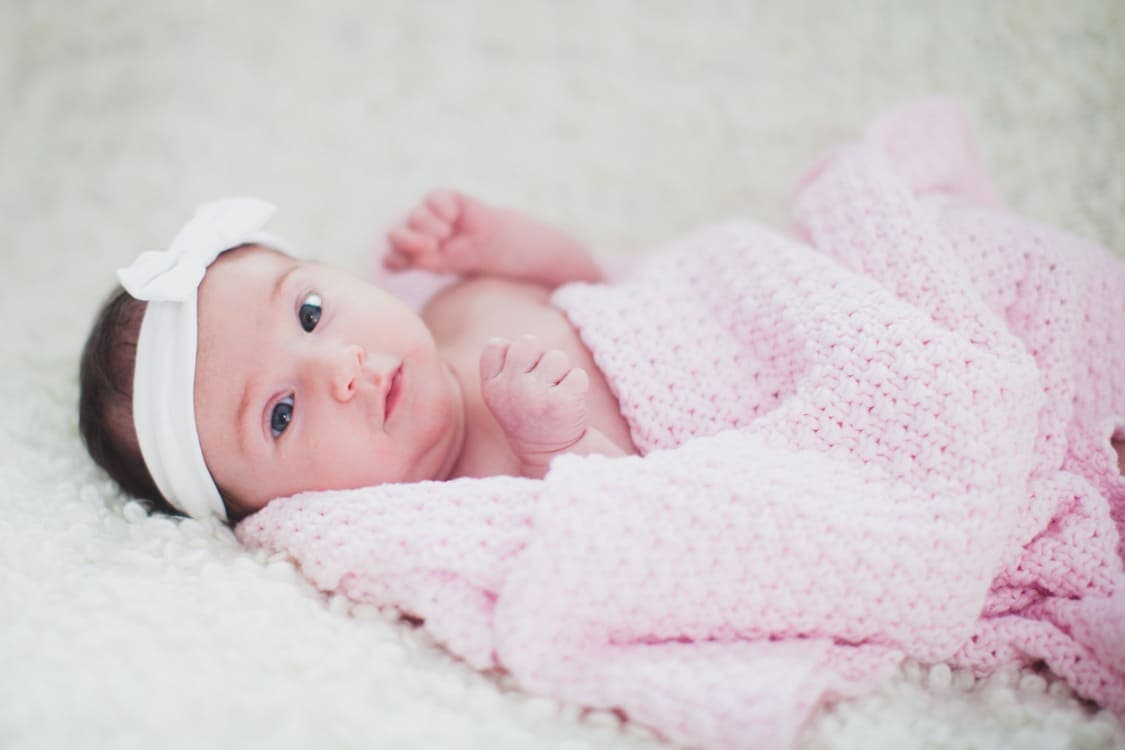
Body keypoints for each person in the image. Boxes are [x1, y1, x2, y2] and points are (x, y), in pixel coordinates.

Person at [79, 191, 637, 524]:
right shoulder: (471, 504)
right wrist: (557, 449)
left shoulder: (460, 304)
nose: (340, 368)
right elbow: (630, 525)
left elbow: (586, 277)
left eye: (310, 313)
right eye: (281, 414)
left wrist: (499, 243)